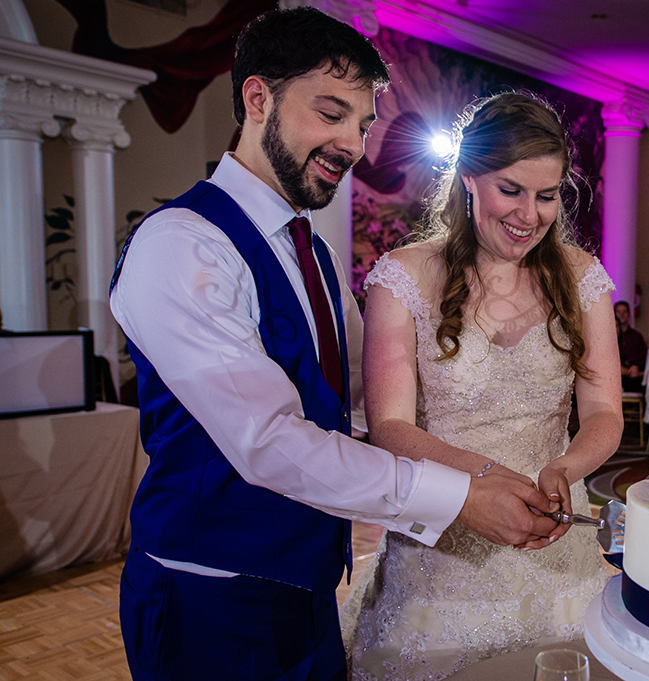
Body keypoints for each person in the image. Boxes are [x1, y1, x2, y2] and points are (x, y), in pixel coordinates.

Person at [109, 11, 557, 681]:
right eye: (331, 113)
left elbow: (357, 401)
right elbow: (270, 440)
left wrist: (494, 445)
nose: (352, 143)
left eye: (364, 124)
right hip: (210, 598)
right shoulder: (181, 244)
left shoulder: (311, 252)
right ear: (257, 98)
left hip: (310, 588)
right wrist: (458, 496)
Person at [340, 92, 622, 680]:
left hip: (554, 543)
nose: (529, 214)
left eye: (547, 196)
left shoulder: (583, 278)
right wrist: (486, 481)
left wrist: (565, 470)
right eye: (511, 190)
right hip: (440, 548)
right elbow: (390, 426)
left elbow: (603, 413)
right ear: (469, 177)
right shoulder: (403, 277)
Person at [615, 300, 647, 392]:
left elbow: (643, 358)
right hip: (618, 376)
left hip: (636, 376)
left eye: (624, 311)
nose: (621, 314)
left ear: (629, 314)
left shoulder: (636, 336)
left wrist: (636, 368)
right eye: (618, 312)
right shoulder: (611, 338)